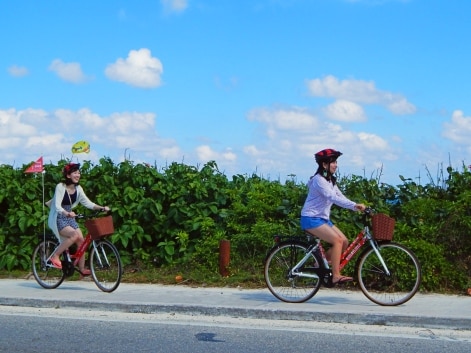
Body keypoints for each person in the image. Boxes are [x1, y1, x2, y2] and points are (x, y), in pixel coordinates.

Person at [300, 148, 366, 285]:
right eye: (333, 162)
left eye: (336, 162)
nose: (336, 165)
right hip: (310, 218)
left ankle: (321, 266)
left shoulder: (330, 181)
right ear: (324, 165)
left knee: (344, 241)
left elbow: (339, 196)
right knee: (337, 241)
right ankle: (335, 275)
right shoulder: (319, 180)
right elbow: (332, 197)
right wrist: (353, 206)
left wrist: (354, 205)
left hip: (322, 219)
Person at [47, 162, 110, 275]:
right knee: (74, 235)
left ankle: (82, 269)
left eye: (79, 173)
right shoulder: (60, 187)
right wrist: (66, 213)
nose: (78, 175)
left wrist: (101, 208)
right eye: (75, 173)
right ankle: (55, 256)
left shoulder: (78, 188)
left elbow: (88, 203)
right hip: (59, 216)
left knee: (81, 241)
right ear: (68, 175)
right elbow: (57, 206)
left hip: (70, 216)